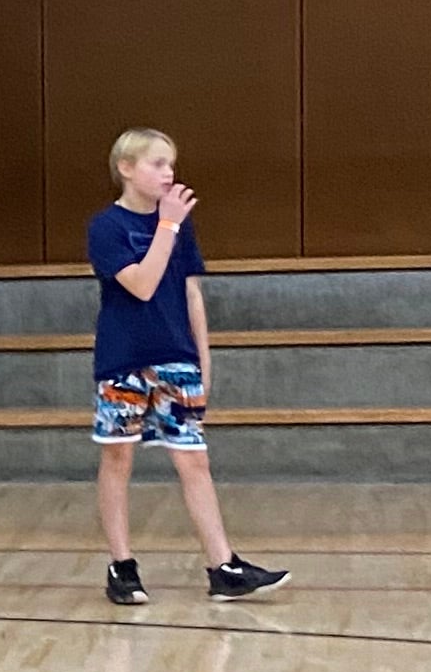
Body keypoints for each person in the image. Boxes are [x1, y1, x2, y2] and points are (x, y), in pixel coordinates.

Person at [89, 127, 287, 608]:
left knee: (193, 459)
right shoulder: (107, 227)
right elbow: (140, 283)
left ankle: (223, 566)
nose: (169, 173)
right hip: (124, 362)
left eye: (171, 164)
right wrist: (167, 228)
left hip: (177, 362)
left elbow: (190, 293)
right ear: (127, 169)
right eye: (157, 164)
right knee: (118, 459)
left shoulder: (178, 226)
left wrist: (203, 360)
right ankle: (122, 565)